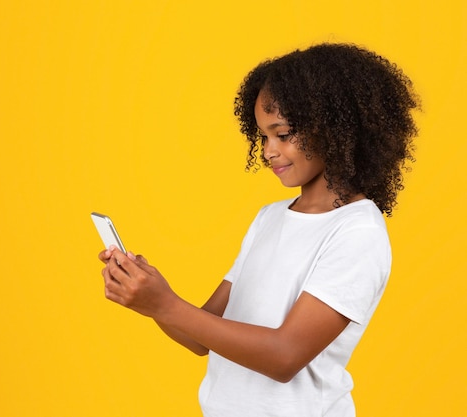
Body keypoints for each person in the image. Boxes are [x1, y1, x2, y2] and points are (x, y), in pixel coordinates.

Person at [97, 43, 419, 417]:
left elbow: (285, 356)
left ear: (334, 130)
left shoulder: (356, 232)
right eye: (263, 136)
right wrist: (149, 297)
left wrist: (166, 304)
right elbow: (201, 337)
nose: (268, 150)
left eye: (283, 134)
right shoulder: (270, 217)